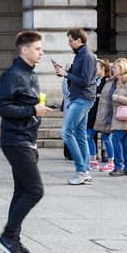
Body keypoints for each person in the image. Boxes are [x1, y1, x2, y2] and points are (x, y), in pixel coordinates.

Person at [0, 30, 53, 253]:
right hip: (15, 140)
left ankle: (13, 241)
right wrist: (32, 110)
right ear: (25, 50)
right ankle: (8, 236)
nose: (42, 52)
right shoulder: (14, 74)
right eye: (38, 49)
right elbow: (2, 107)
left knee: (21, 191)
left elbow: (25, 104)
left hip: (27, 138)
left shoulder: (30, 74)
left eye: (41, 48)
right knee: (35, 190)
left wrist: (38, 110)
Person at [52, 28, 97, 185]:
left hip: (82, 99)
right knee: (80, 135)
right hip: (79, 98)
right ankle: (86, 172)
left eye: (71, 40)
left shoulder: (87, 57)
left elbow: (85, 81)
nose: (69, 43)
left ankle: (81, 171)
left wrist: (66, 74)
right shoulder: (80, 56)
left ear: (80, 40)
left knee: (66, 132)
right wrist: (65, 73)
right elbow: (79, 78)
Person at [89, 59, 115, 173]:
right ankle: (93, 159)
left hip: (104, 113)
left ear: (103, 68)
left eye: (96, 67)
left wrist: (97, 95)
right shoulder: (94, 80)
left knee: (106, 138)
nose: (94, 69)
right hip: (93, 112)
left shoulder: (108, 81)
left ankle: (111, 162)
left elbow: (108, 96)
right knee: (88, 136)